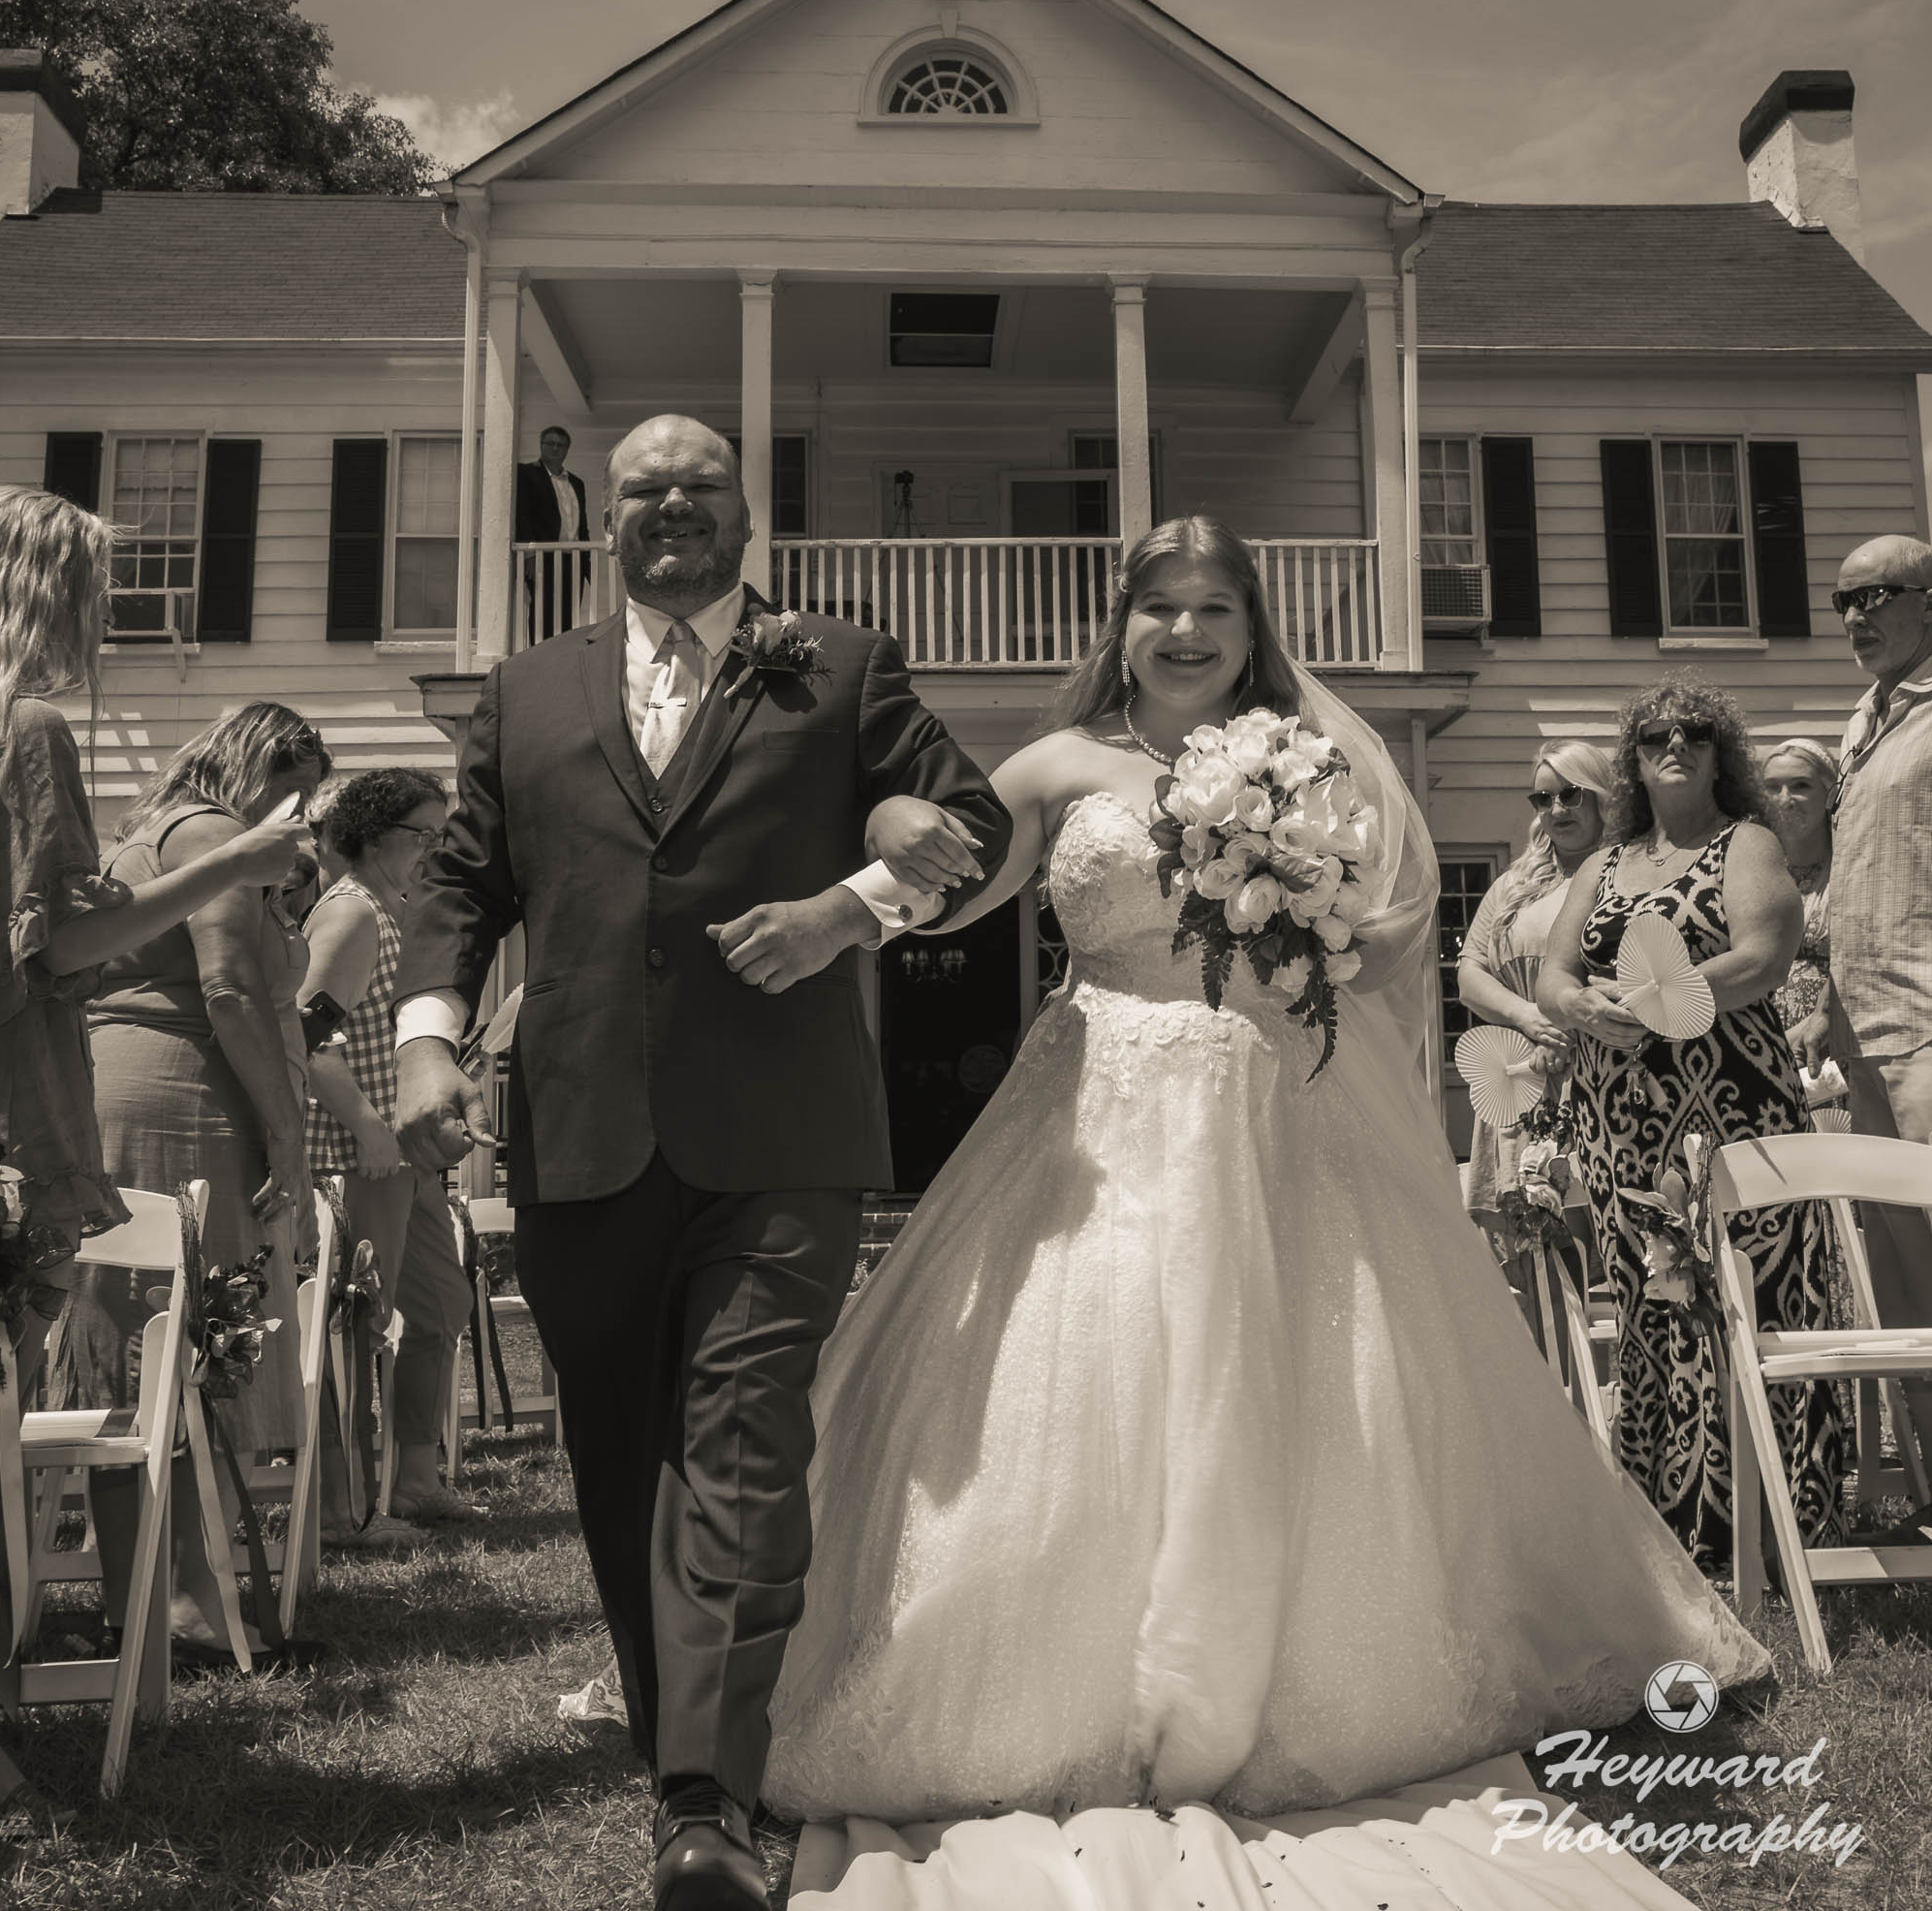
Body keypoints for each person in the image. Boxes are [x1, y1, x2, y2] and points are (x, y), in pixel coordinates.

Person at [758, 519, 1767, 1877]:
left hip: (1276, 1108)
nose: (1186, 632)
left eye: (1215, 608)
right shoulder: (1064, 763)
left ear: (1253, 625)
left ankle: (1315, 1670)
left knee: (1301, 1381)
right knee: (1068, 1377)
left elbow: (1384, 927)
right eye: (1161, 606)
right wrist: (844, 909)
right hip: (1089, 1108)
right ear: (1119, 621)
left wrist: (1313, 914)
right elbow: (951, 887)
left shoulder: (1319, 758)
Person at [390, 414, 1012, 1911]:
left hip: (780, 1132)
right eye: (645, 489)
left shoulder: (843, 667)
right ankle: (681, 1732)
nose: (673, 507)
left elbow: (975, 830)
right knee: (616, 1458)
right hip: (581, 1128)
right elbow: (462, 885)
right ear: (607, 518)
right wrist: (425, 1037)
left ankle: (708, 1805)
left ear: (748, 513)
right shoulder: (525, 690)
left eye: (702, 487)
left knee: (741, 1439)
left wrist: (848, 910)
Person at [0, 486, 305, 1856]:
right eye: (95, 589)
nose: (106, 619)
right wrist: (259, 856)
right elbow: (64, 955)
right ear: (41, 593)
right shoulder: (27, 731)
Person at [51, 703, 332, 1668]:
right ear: (258, 768)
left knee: (151, 1347)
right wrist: (289, 1133)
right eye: (295, 792)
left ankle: (165, 1595)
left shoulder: (161, 827)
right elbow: (227, 987)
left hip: (141, 1084)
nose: (300, 818)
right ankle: (174, 1603)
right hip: (181, 1093)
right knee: (180, 1341)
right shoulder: (213, 835)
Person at [1540, 678, 1844, 1567]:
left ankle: (1770, 1527)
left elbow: (1762, 954)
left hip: (1731, 1112)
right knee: (1647, 1303)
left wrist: (1659, 997)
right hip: (1618, 1120)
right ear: (1632, 760)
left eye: (1696, 733)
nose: (1676, 745)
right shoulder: (1603, 862)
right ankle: (1664, 1529)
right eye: (1655, 737)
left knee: (1745, 1295)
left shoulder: (1743, 842)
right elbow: (1555, 975)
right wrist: (1584, 1010)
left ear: (1721, 754)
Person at [302, 768, 475, 1543]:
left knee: (439, 1307)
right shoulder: (350, 915)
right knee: (354, 1325)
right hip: (355, 1155)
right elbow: (306, 1038)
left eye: (444, 834)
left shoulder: (403, 909)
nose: (436, 848)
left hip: (408, 1156)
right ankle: (341, 1511)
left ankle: (413, 1480)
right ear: (373, 838)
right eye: (422, 835)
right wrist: (371, 1126)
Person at [1815, 534, 1932, 1535]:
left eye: (1877, 594)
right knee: (1900, 1292)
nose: (1854, 615)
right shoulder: (1864, 724)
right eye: (1842, 598)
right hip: (1865, 1047)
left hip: (1929, 1033)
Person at [1455, 738, 1612, 1351]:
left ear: (1603, 797)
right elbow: (1469, 972)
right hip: (1523, 1079)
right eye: (1543, 798)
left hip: (1602, 1073)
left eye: (1571, 794)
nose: (1557, 809)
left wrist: (1569, 1023)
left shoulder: (1628, 867)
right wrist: (1527, 1016)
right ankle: (1561, 1411)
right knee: (1536, 1257)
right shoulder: (1516, 884)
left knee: (1618, 1243)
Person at [1761, 738, 1837, 1075]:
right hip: (1760, 1047)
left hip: (1828, 1045)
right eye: (1772, 787)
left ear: (1829, 794)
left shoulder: (1851, 869)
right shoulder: (1751, 873)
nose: (1785, 799)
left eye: (1801, 786)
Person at [514, 425, 590, 643]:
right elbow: (522, 515)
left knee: (569, 618)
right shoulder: (527, 474)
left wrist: (586, 563)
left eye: (561, 445)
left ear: (567, 450)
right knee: (542, 615)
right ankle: (540, 662)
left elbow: (581, 524)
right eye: (551, 443)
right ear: (541, 445)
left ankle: (562, 664)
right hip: (543, 558)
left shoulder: (576, 483)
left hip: (574, 560)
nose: (556, 449)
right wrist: (530, 554)